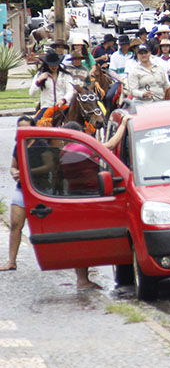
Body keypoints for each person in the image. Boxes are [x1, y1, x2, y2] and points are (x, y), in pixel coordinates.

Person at [58, 119, 128, 290]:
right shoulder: (82, 148)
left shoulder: (64, 151)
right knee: (94, 237)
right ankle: (85, 280)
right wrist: (124, 125)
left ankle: (82, 279)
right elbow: (110, 145)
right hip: (90, 196)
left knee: (79, 239)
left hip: (73, 196)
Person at [3, 116, 54, 271]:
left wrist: (26, 172)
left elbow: (49, 166)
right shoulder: (18, 146)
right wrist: (14, 172)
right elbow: (13, 166)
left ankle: (52, 259)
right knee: (15, 224)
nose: (23, 131)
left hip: (41, 189)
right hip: (21, 189)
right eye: (20, 128)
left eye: (26, 127)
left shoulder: (41, 145)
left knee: (46, 227)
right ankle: (11, 260)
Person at [30, 51, 73, 117]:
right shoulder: (39, 75)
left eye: (56, 64)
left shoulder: (66, 76)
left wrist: (63, 100)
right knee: (34, 123)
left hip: (63, 106)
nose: (54, 66)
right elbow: (32, 93)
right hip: (47, 107)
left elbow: (70, 91)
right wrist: (39, 81)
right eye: (51, 64)